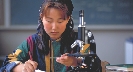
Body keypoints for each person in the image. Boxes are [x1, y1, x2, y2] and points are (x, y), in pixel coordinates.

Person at [0, 0, 91, 72]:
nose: (54, 27)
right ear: (41, 18)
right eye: (49, 21)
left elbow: (94, 65)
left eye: (60, 21)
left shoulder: (81, 40)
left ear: (68, 19)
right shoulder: (31, 42)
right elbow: (7, 63)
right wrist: (23, 67)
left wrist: (74, 62)